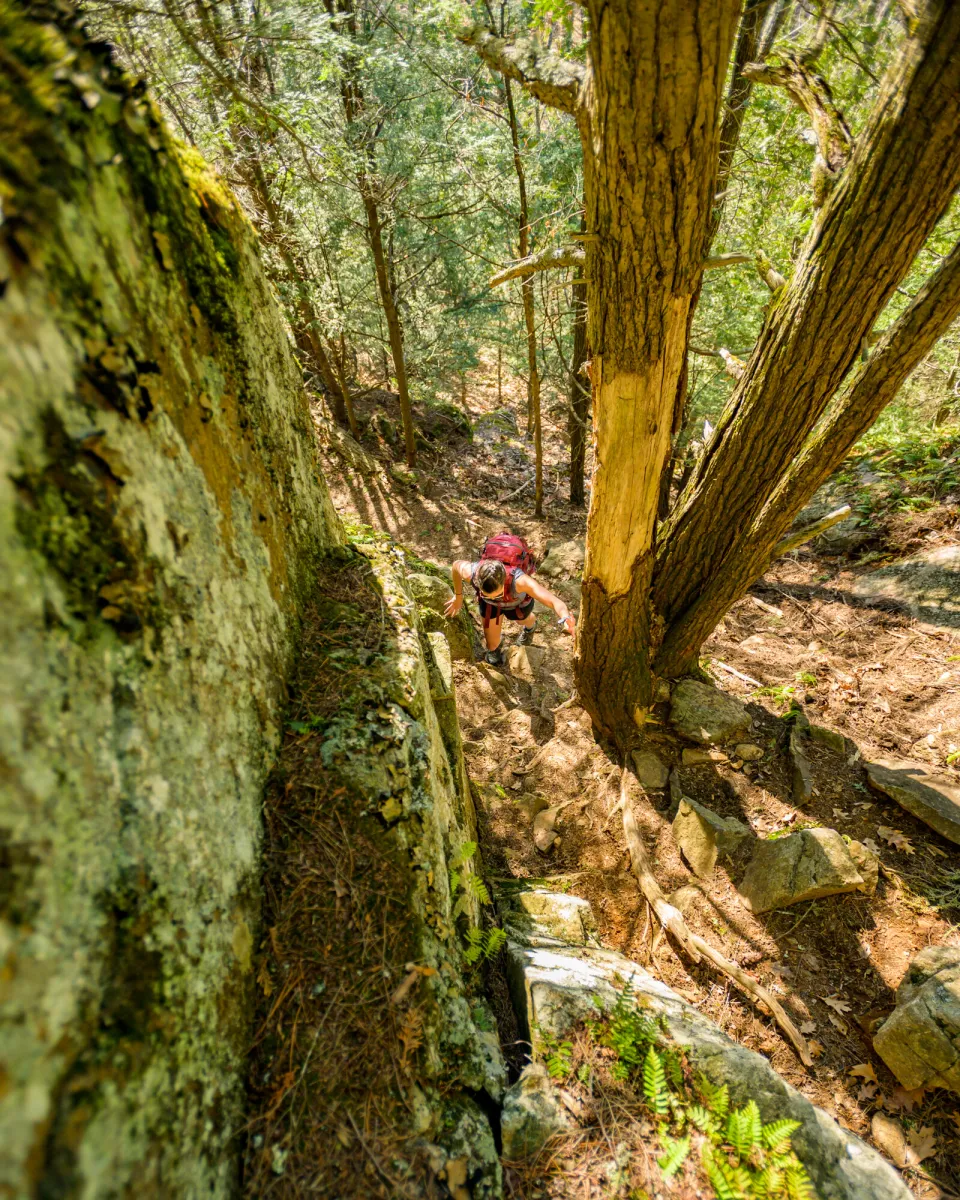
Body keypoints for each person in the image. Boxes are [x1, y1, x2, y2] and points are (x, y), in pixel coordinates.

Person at [444, 554, 576, 667]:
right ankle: (494, 651)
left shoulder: (520, 581)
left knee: (522, 620)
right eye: (485, 594)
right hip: (490, 606)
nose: (495, 598)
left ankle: (530, 626)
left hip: (517, 603)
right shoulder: (471, 573)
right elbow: (456, 566)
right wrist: (458, 597)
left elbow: (554, 601)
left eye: (497, 594)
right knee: (492, 644)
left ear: (504, 581)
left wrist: (565, 617)